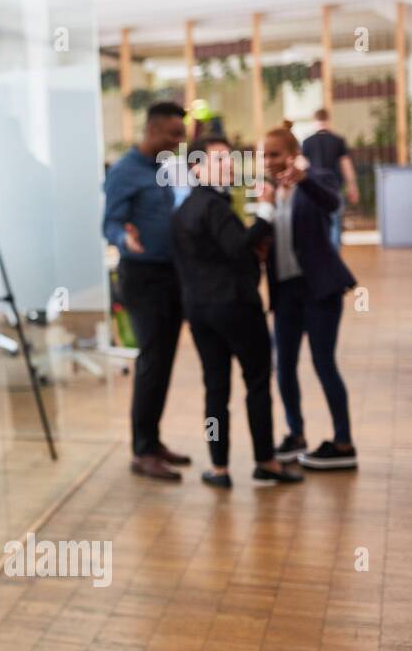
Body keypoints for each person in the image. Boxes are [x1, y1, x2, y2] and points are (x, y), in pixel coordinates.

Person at [170, 137, 302, 487]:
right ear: (196, 167)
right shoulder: (214, 206)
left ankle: (219, 467)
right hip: (236, 309)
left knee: (215, 389)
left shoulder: (183, 210)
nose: (228, 166)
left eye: (230, 160)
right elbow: (237, 247)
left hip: (200, 313)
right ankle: (266, 461)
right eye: (218, 161)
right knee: (257, 384)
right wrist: (266, 211)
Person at [102, 101, 192, 481]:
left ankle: (152, 441)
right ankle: (142, 451)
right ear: (152, 129)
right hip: (142, 277)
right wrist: (126, 237)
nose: (178, 141)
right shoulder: (125, 171)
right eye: (173, 134)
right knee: (152, 360)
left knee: (164, 359)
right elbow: (110, 223)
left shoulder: (163, 169)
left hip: (172, 275)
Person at [261, 127, 359, 470]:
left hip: (319, 288)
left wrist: (303, 180)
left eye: (274, 154)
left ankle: (344, 442)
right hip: (286, 292)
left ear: (291, 153)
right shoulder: (269, 193)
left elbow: (332, 203)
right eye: (264, 155)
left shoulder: (316, 179)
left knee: (323, 363)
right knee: (283, 367)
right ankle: (296, 434)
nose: (268, 161)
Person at [301, 108, 360, 249]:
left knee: (315, 223)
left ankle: (319, 254)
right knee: (335, 224)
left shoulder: (307, 142)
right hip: (334, 188)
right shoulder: (338, 141)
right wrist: (352, 187)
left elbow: (303, 166)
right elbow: (346, 166)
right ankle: (334, 256)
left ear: (315, 121)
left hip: (313, 189)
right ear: (328, 120)